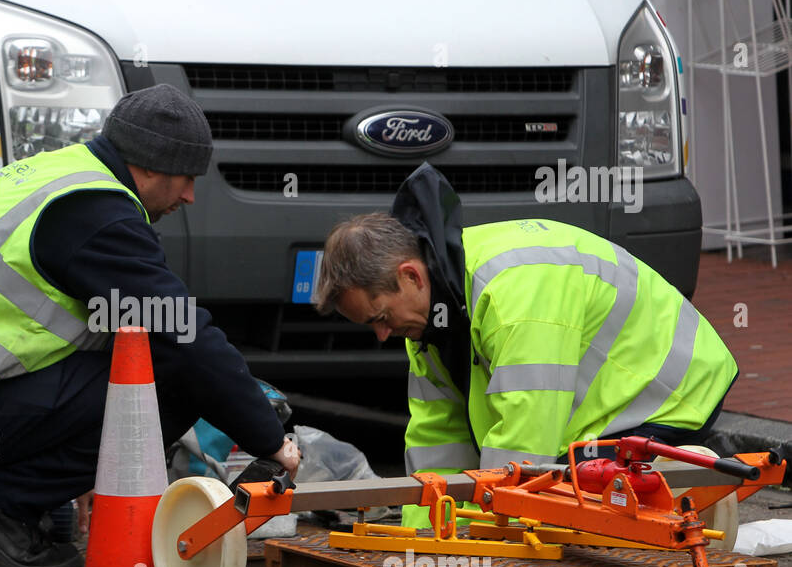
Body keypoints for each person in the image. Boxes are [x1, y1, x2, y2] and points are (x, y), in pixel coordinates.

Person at [0, 84, 300, 567]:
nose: (189, 195)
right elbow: (184, 334)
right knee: (169, 377)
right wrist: (270, 439)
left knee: (128, 348)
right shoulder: (96, 213)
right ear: (149, 166)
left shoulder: (59, 173)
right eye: (185, 177)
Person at [312, 163, 737, 527]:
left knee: (576, 508)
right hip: (615, 400)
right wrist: (423, 539)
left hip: (671, 395)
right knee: (553, 496)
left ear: (411, 276)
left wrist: (489, 539)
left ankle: (678, 488)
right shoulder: (428, 324)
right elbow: (437, 442)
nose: (383, 335)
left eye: (381, 318)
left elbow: (524, 443)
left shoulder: (515, 295)